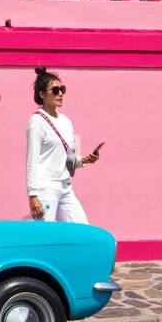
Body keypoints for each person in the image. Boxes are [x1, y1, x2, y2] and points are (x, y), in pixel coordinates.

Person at [26, 66, 100, 223]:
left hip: (66, 187)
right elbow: (32, 160)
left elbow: (69, 158)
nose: (60, 93)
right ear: (42, 94)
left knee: (82, 229)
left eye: (62, 89)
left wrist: (85, 159)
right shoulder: (36, 122)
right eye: (55, 90)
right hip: (45, 188)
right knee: (45, 236)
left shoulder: (66, 121)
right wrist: (33, 195)